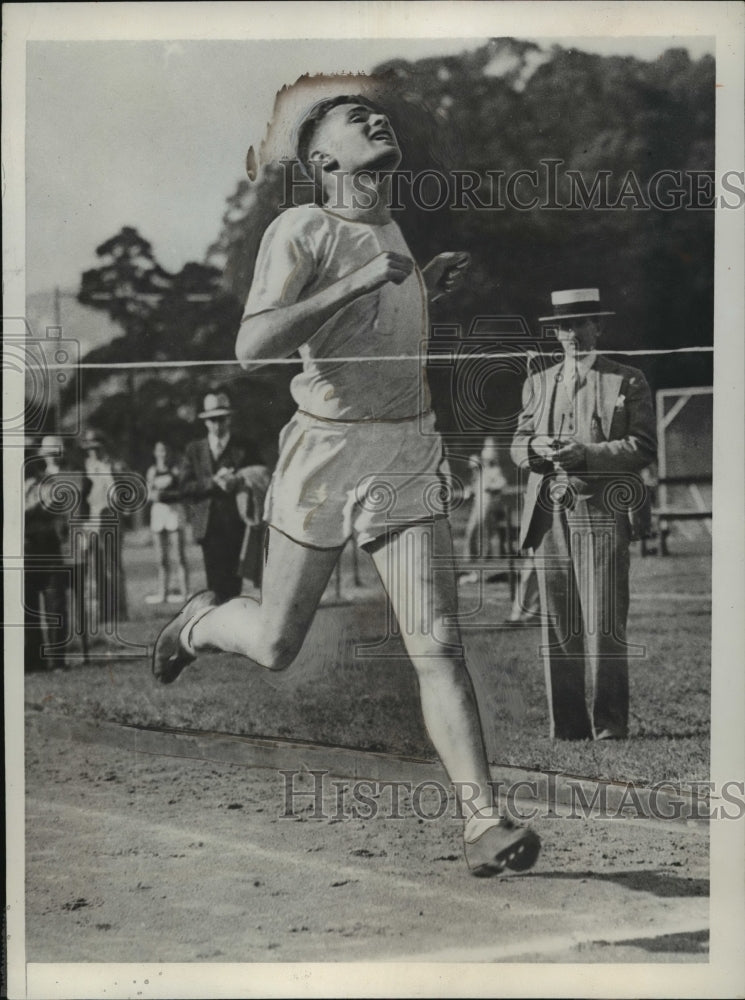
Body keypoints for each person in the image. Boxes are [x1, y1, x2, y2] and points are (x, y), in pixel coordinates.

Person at [153, 93, 540, 877]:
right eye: (353, 119)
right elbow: (253, 345)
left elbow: (373, 335)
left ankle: (483, 824)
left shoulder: (390, 228)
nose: (374, 120)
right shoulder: (299, 227)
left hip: (403, 450)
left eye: (377, 114)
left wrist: (419, 284)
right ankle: (198, 623)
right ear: (321, 161)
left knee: (437, 646)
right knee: (273, 644)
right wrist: (358, 283)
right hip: (325, 456)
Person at [510, 288, 657, 740]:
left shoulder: (626, 380)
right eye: (562, 326)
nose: (571, 334)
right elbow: (517, 443)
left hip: (603, 511)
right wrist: (534, 448)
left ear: (599, 327)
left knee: (605, 622)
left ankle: (610, 724)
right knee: (557, 623)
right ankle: (569, 726)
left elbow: (643, 447)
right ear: (554, 333)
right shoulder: (538, 381)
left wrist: (587, 454)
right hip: (548, 509)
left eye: (580, 324)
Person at [168, 392, 265, 603]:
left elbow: (261, 475)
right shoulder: (194, 449)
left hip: (238, 523)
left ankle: (229, 627)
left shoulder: (245, 447)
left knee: (233, 583)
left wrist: (238, 479)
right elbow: (184, 486)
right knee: (214, 582)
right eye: (212, 420)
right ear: (205, 422)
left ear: (229, 418)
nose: (217, 425)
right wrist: (213, 482)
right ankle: (216, 626)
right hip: (209, 526)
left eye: (221, 419)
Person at [24, 435, 90, 670]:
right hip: (26, 551)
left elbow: (56, 504)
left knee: (56, 606)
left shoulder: (47, 481)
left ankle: (57, 660)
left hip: (50, 551)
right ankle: (34, 662)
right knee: (28, 612)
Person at [81, 429, 129, 628]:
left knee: (113, 566)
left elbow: (122, 495)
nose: (93, 452)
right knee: (96, 567)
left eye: (96, 448)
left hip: (110, 516)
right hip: (92, 519)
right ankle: (102, 611)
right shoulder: (85, 466)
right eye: (90, 448)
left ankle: (119, 611)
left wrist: (109, 472)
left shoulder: (114, 465)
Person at [144, 441, 190, 604]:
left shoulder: (176, 470)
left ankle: (185, 592)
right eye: (159, 451)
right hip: (158, 513)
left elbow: (182, 491)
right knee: (161, 557)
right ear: (155, 453)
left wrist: (164, 495)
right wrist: (154, 495)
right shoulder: (152, 471)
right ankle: (163, 593)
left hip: (174, 512)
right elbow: (149, 494)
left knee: (179, 555)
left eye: (165, 451)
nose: (162, 454)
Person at [459, 437, 509, 584]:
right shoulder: (481, 472)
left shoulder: (495, 471)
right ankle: (471, 568)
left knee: (483, 535)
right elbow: (474, 486)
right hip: (478, 506)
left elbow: (501, 484)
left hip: (487, 507)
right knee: (471, 533)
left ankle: (481, 571)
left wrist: (492, 488)